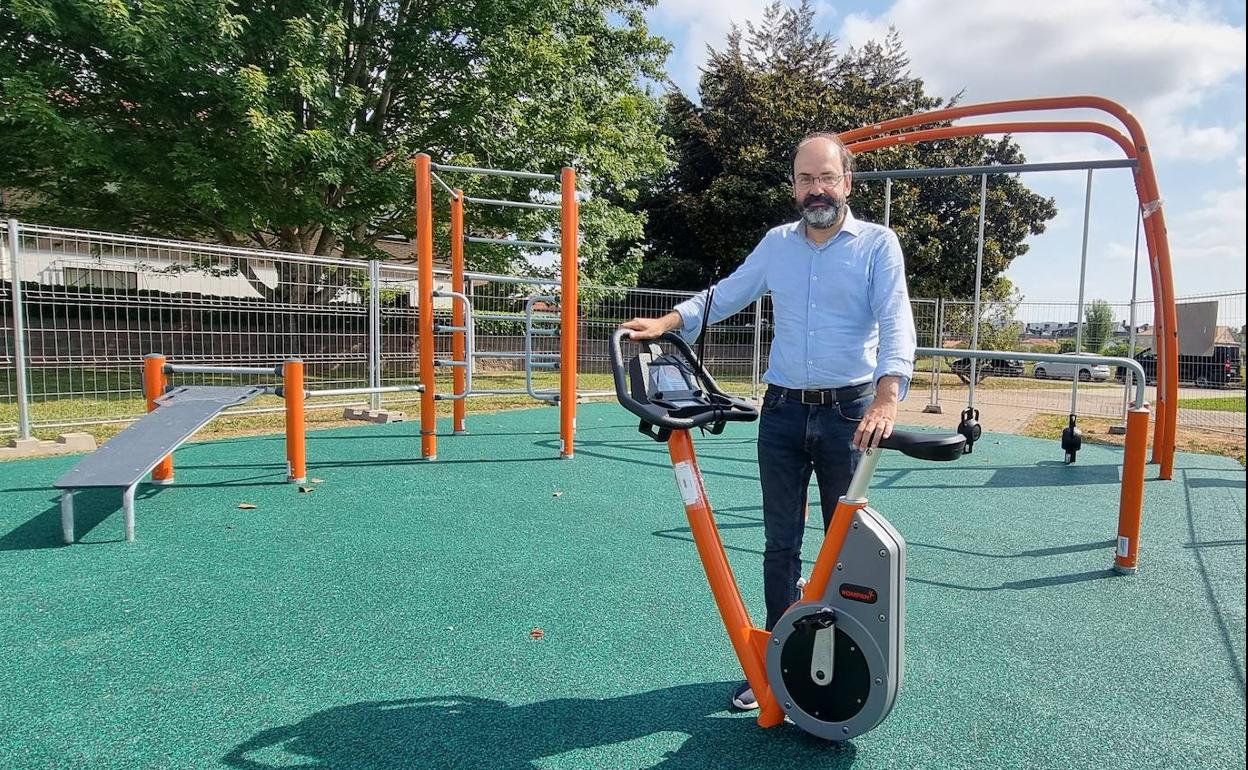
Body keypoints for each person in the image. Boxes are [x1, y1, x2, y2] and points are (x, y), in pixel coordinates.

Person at [620, 132, 916, 711]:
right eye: (806, 179)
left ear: (847, 183)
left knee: (842, 542)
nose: (816, 189)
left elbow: (896, 320)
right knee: (780, 543)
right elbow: (726, 294)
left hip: (848, 412)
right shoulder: (778, 244)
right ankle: (776, 659)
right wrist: (667, 322)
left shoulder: (878, 245)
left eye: (826, 178)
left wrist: (887, 396)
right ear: (794, 186)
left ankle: (833, 666)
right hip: (782, 411)